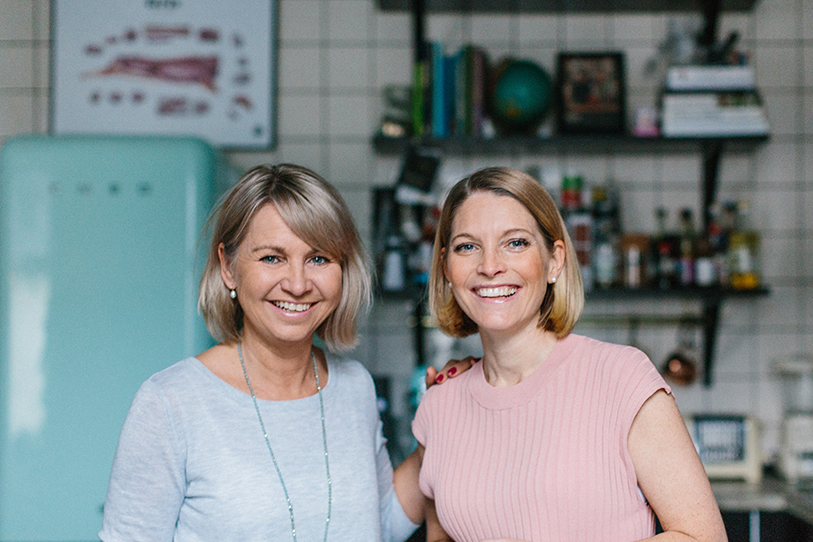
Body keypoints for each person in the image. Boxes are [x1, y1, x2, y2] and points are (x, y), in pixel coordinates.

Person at [99, 164, 428, 541]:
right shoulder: (170, 403)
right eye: (272, 258)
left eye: (318, 258)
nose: (298, 284)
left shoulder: (355, 387)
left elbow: (379, 524)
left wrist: (440, 429)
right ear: (228, 267)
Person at [412, 167, 727, 542]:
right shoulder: (440, 404)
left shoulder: (621, 377)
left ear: (554, 260)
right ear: (447, 267)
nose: (490, 266)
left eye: (515, 243)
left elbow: (702, 536)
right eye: (468, 246)